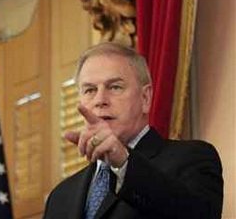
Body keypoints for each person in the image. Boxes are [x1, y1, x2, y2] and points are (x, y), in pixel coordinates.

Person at [43, 42, 223, 219]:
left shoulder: (192, 158)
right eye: (90, 90)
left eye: (115, 87)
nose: (100, 100)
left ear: (145, 98)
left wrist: (124, 163)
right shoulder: (60, 197)